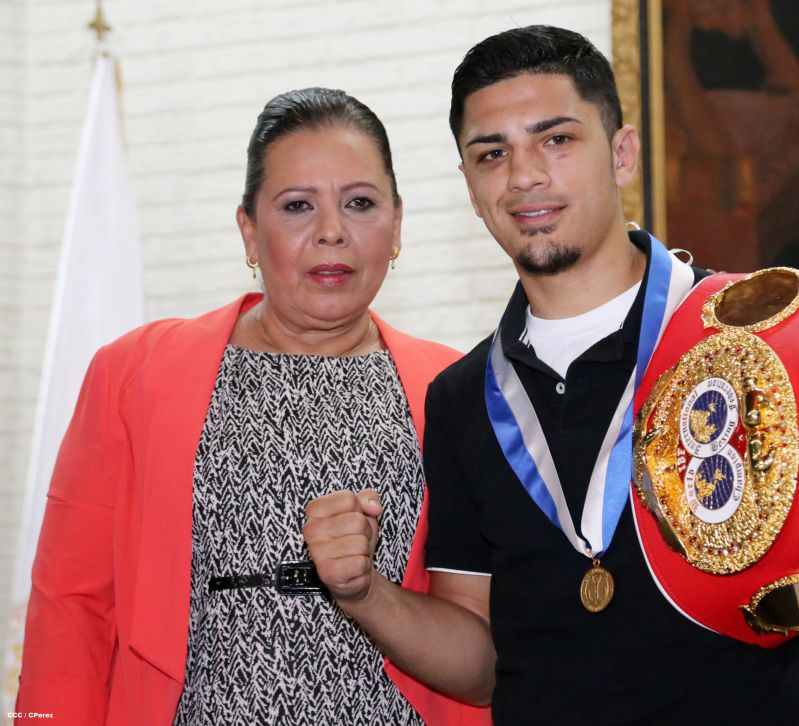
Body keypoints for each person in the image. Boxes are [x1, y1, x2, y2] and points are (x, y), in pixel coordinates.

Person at [303, 25, 799, 724]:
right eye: (491, 153)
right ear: (471, 187)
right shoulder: (462, 398)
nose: (525, 174)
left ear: (622, 153)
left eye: (557, 139)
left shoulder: (753, 323)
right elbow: (481, 667)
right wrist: (364, 594)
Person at [15, 87, 488, 725]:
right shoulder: (134, 375)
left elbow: (485, 633)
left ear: (397, 225)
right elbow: (70, 604)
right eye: (297, 206)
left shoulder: (458, 389)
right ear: (248, 228)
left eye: (360, 203)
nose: (331, 232)